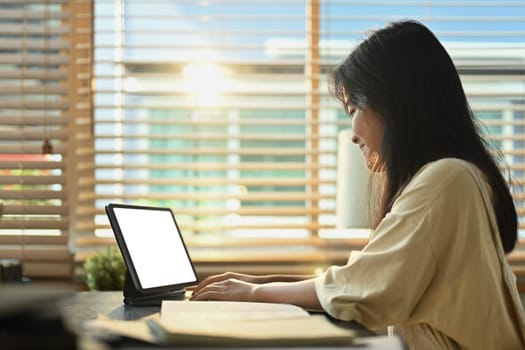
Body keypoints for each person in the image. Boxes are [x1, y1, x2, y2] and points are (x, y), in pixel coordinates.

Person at [190, 20, 525, 349]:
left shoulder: (448, 179)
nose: (352, 133)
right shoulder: (458, 178)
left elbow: (367, 286)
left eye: (353, 108)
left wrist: (254, 294)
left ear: (394, 102)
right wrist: (263, 283)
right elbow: (372, 274)